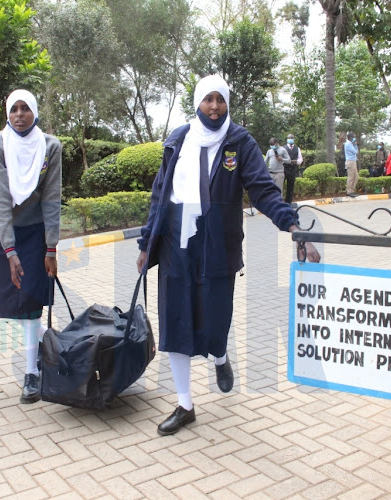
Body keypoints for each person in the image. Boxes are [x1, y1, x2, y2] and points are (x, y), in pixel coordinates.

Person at [135, 75, 320, 436]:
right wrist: (146, 244)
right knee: (175, 320)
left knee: (215, 317)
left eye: (220, 100)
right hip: (176, 240)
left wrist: (293, 227)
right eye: (208, 100)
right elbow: (160, 195)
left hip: (218, 242)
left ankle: (219, 355)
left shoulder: (239, 142)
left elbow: (263, 190)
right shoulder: (178, 140)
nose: (215, 107)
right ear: (198, 102)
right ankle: (185, 404)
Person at [0, 89, 62, 404]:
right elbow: (2, 199)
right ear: (8, 113)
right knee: (13, 303)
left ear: (34, 112)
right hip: (9, 232)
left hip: (38, 233)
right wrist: (10, 251)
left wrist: (51, 248)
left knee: (31, 303)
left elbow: (51, 198)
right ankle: (53, 346)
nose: (19, 114)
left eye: (25, 108)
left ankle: (32, 372)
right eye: (14, 109)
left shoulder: (50, 146)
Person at [283, 133, 303, 205]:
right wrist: (287, 161)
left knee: (290, 187)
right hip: (284, 170)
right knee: (281, 186)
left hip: (293, 170)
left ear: (294, 139)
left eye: (292, 138)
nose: (290, 139)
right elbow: (281, 159)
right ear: (287, 139)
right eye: (289, 138)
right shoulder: (283, 148)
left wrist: (296, 162)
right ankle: (280, 202)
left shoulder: (297, 149)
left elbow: (300, 158)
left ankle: (288, 203)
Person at [344, 132, 359, 197]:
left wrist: (354, 144)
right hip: (350, 162)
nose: (354, 138)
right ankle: (349, 191)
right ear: (350, 138)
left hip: (353, 161)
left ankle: (352, 190)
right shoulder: (348, 144)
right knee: (351, 177)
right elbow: (355, 152)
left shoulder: (350, 144)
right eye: (354, 137)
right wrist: (355, 145)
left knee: (356, 177)